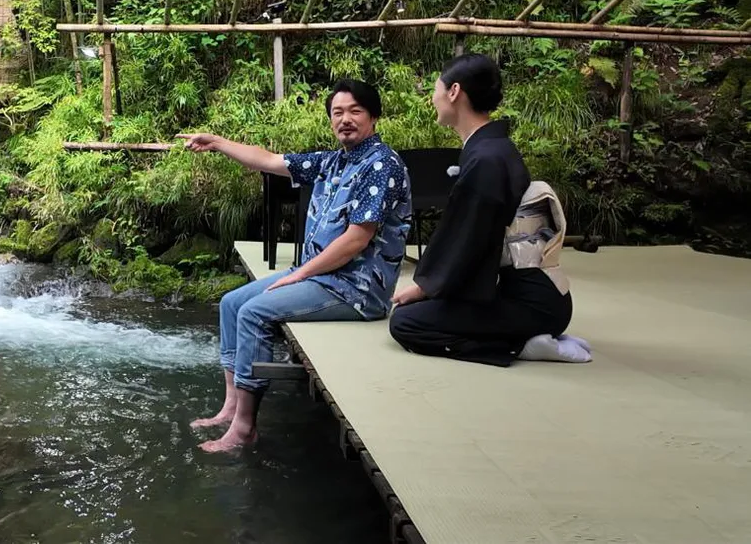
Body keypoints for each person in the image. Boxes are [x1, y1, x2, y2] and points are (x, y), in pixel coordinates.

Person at [178, 79, 411, 452]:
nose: (345, 119)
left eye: (355, 111)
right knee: (231, 304)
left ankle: (244, 428)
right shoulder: (332, 162)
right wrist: (218, 143)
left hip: (355, 289)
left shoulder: (382, 165)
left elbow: (357, 239)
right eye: (338, 112)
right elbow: (269, 160)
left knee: (253, 313)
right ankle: (231, 405)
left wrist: (300, 272)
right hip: (321, 277)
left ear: (373, 117)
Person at [388, 53, 590, 366]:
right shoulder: (491, 149)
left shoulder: (486, 158)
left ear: (454, 92)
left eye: (435, 89)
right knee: (416, 313)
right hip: (539, 296)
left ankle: (520, 344)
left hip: (531, 303)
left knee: (407, 322)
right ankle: (527, 336)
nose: (433, 98)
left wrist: (425, 286)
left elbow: (470, 238)